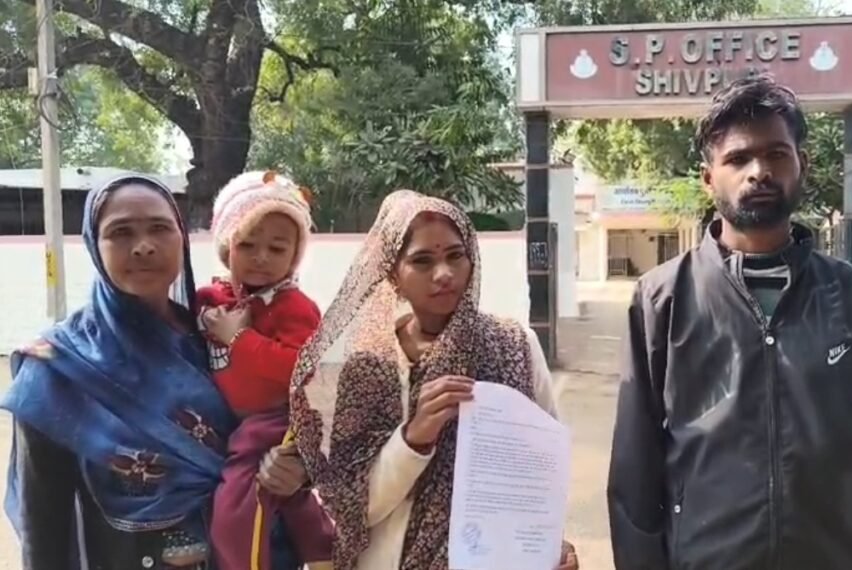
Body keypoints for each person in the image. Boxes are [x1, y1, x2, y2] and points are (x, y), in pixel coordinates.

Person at [607, 75, 852, 569]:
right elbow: (634, 475)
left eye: (776, 154)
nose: (759, 172)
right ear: (709, 178)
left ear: (802, 164)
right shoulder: (661, 299)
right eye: (738, 159)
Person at [2, 175, 309, 570]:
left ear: (183, 240)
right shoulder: (58, 369)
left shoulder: (217, 335)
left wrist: (297, 470)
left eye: (160, 228)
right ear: (95, 245)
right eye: (120, 232)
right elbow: (45, 531)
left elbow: (294, 420)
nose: (144, 246)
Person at [288, 190, 579, 570]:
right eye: (422, 260)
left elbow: (541, 473)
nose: (444, 274)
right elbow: (354, 508)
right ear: (393, 273)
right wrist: (415, 438)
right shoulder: (366, 366)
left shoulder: (515, 345)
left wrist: (546, 546)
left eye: (455, 256)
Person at [197, 171, 333, 569]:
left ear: (294, 256)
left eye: (276, 248)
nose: (261, 257)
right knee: (287, 495)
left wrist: (240, 340)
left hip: (278, 417)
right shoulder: (211, 298)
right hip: (241, 420)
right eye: (247, 245)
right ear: (226, 246)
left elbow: (300, 368)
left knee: (239, 501)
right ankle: (323, 548)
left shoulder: (294, 307)